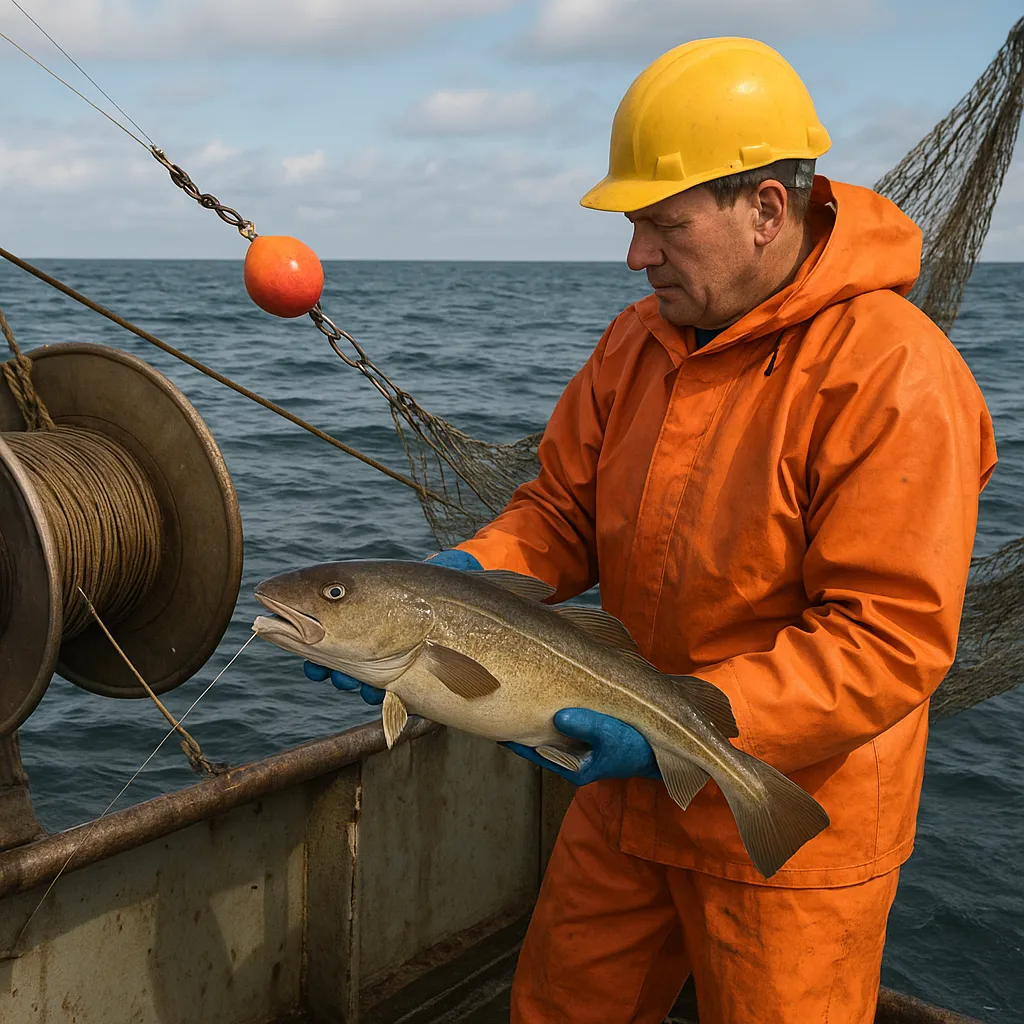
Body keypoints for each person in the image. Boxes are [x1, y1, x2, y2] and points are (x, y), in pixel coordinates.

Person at [305, 36, 997, 1024]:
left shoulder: (894, 375)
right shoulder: (637, 342)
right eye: (635, 225)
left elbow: (887, 641)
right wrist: (454, 584)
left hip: (794, 817)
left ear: (767, 208)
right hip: (627, 793)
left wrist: (683, 720)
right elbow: (558, 516)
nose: (636, 256)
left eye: (663, 224)